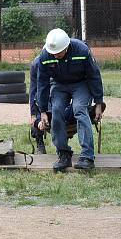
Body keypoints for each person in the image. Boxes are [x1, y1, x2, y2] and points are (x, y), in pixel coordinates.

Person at [37, 28, 105, 171]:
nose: (55, 55)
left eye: (58, 53)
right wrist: (42, 110)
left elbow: (94, 75)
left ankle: (87, 157)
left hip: (81, 84)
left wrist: (98, 102)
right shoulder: (45, 55)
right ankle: (63, 155)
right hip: (59, 85)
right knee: (56, 111)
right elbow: (42, 84)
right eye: (52, 53)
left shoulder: (82, 50)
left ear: (67, 47)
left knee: (80, 110)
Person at [29, 54, 75, 154]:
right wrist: (33, 115)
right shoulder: (36, 64)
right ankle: (39, 142)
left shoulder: (65, 59)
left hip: (61, 91)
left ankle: (63, 143)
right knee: (38, 101)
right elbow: (33, 89)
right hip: (45, 94)